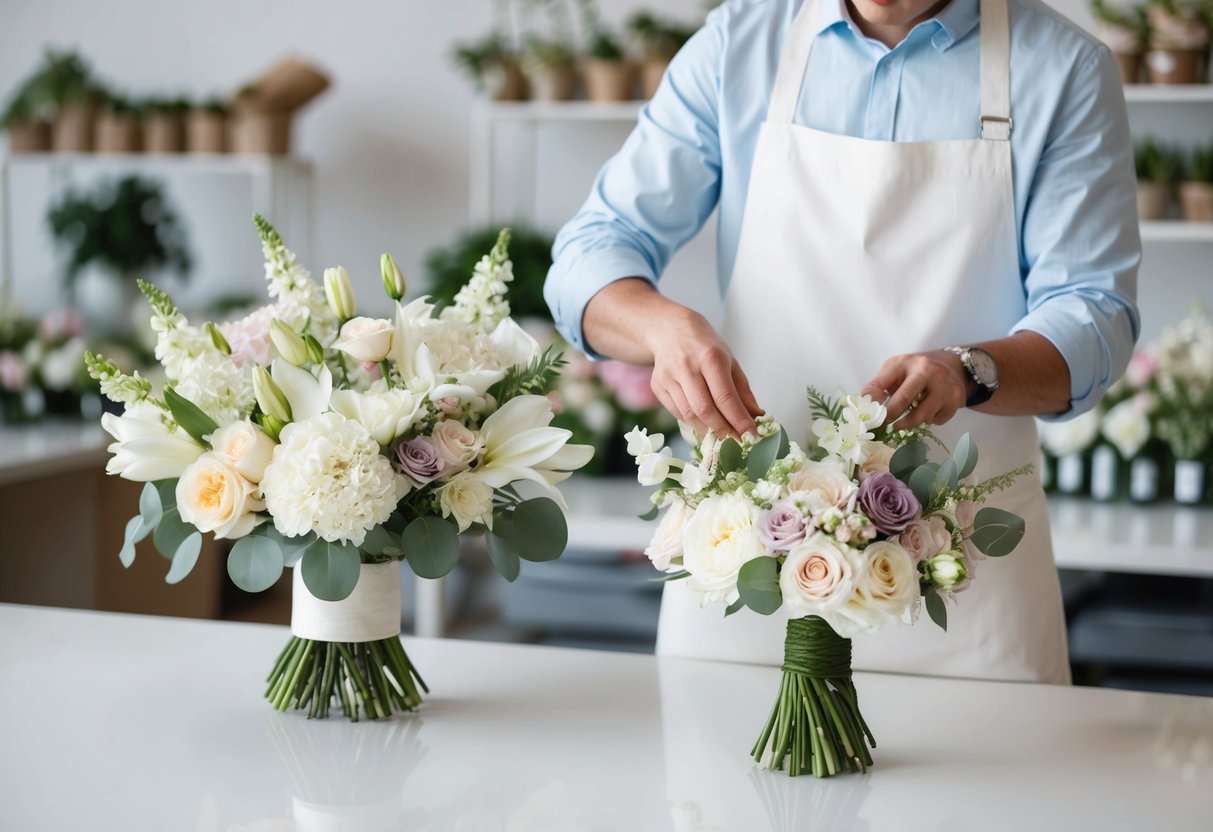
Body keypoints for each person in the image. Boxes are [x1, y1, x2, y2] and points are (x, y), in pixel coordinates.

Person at [544, 0, 1140, 684]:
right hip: (745, 567)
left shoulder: (1063, 69)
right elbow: (590, 253)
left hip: (961, 582)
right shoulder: (741, 44)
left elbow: (1095, 316)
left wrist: (968, 371)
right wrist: (662, 328)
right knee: (715, 790)